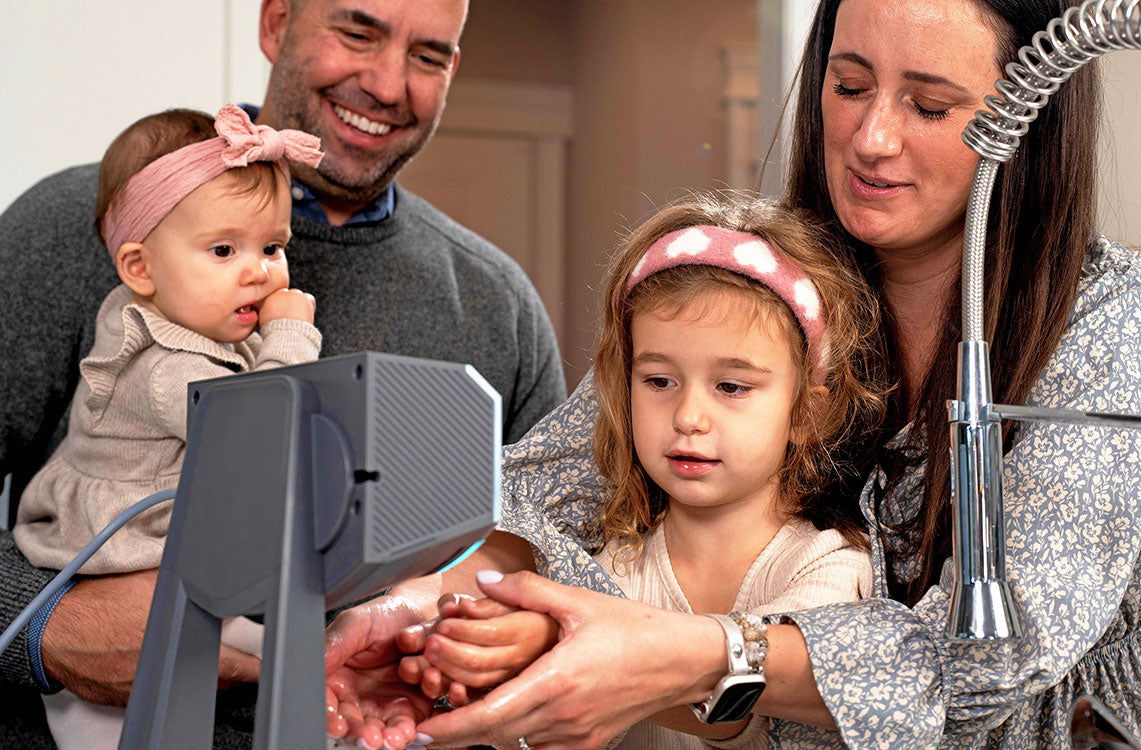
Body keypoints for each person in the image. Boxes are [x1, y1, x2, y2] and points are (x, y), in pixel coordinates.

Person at [324, 0, 1141, 747]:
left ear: (1027, 121)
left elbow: (997, 656)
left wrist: (697, 653)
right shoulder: (761, 277)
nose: (871, 136)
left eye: (930, 107)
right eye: (848, 86)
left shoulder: (1115, 320)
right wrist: (425, 606)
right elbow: (541, 491)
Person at [0, 0, 565, 746]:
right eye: (358, 31)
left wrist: (501, 637)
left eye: (428, 56)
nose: (389, 83)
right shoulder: (82, 223)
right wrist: (43, 623)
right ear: (275, 24)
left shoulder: (501, 307)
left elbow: (557, 551)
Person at [382, 197, 887, 750]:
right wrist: (469, 654)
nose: (688, 418)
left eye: (732, 387)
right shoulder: (613, 563)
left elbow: (743, 707)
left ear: (808, 412)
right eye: (659, 380)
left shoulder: (829, 567)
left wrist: (552, 648)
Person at [12, 104, 324, 750]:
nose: (258, 270)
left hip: (167, 578)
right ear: (140, 269)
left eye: (272, 248)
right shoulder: (165, 368)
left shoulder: (194, 336)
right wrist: (290, 335)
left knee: (294, 655)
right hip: (110, 598)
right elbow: (261, 437)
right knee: (298, 663)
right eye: (223, 249)